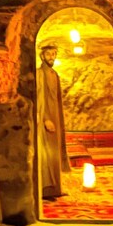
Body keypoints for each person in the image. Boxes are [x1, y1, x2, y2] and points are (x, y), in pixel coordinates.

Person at [38, 44, 70, 200]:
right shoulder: (40, 74)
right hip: (47, 119)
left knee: (55, 152)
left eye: (53, 54)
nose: (51, 57)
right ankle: (46, 190)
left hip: (55, 116)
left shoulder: (53, 74)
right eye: (48, 54)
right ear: (42, 56)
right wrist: (45, 119)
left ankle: (56, 188)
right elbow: (40, 99)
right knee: (47, 154)